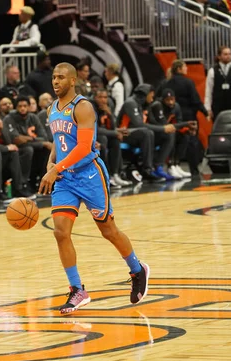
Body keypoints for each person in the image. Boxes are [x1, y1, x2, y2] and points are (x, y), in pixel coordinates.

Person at [39, 63, 150, 314]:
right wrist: (51, 161)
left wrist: (55, 169)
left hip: (90, 174)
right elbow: (61, 142)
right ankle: (77, 290)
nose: (55, 82)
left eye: (61, 78)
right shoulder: (51, 110)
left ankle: (136, 269)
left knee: (108, 230)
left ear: (73, 80)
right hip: (66, 179)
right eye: (53, 77)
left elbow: (84, 146)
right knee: (60, 232)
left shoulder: (83, 106)